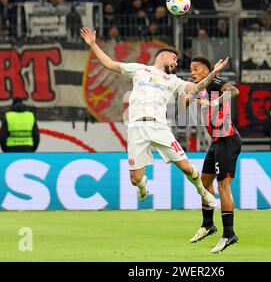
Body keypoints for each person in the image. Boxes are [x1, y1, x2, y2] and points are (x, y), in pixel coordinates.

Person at [80, 27, 229, 210]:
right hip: (136, 128)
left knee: (186, 167)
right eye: (174, 59)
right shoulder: (139, 69)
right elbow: (109, 64)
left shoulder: (173, 80)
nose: (175, 63)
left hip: (159, 127)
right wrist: (93, 44)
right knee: (134, 179)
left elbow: (196, 88)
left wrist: (213, 73)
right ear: (162, 56)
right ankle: (143, 184)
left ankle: (202, 191)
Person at [186, 56, 241, 254]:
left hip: (227, 139)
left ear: (208, 70)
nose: (192, 72)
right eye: (190, 69)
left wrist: (215, 102)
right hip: (216, 142)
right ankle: (208, 225)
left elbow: (234, 91)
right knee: (204, 182)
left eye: (196, 69)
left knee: (223, 185)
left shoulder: (215, 82)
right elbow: (184, 101)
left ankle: (229, 234)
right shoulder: (200, 87)